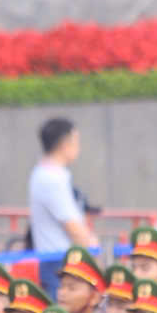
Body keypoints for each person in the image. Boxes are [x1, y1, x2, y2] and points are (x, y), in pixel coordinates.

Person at [27, 116, 98, 290]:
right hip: (59, 262)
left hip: (57, 260)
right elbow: (71, 225)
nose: (78, 147)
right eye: (76, 141)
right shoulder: (51, 178)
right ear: (65, 144)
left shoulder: (46, 173)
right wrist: (93, 250)